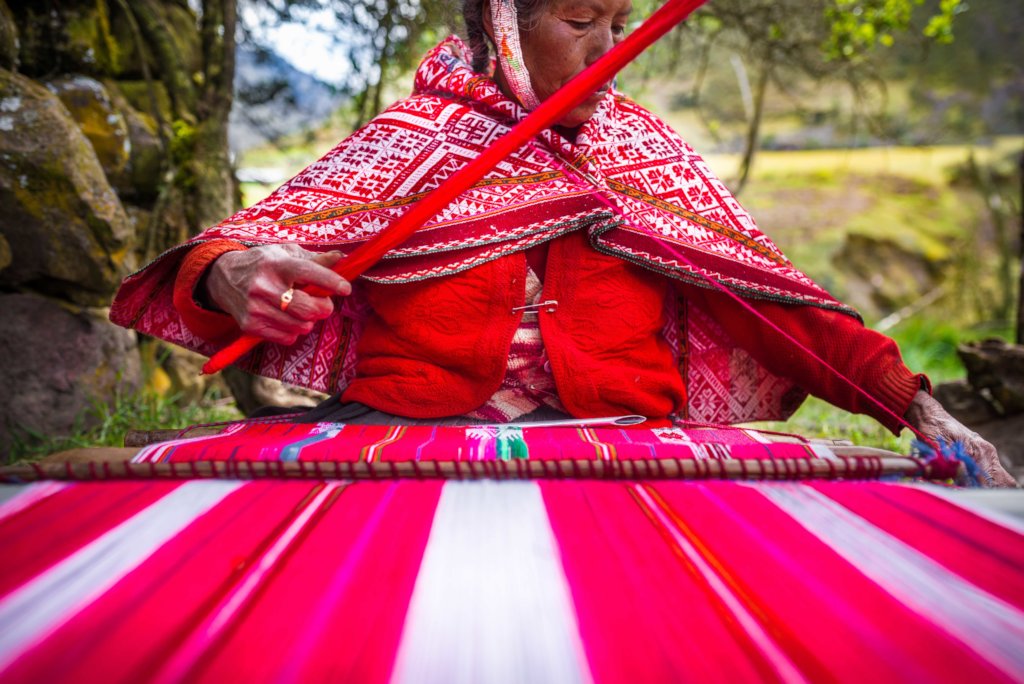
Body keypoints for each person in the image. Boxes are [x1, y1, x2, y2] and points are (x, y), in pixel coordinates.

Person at [110, 0, 1015, 486]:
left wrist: (920, 411)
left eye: (620, 26)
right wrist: (235, 276)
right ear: (504, 25)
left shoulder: (642, 155)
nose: (609, 53)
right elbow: (233, 250)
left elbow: (775, 309)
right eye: (582, 24)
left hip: (627, 448)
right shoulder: (410, 144)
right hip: (405, 445)